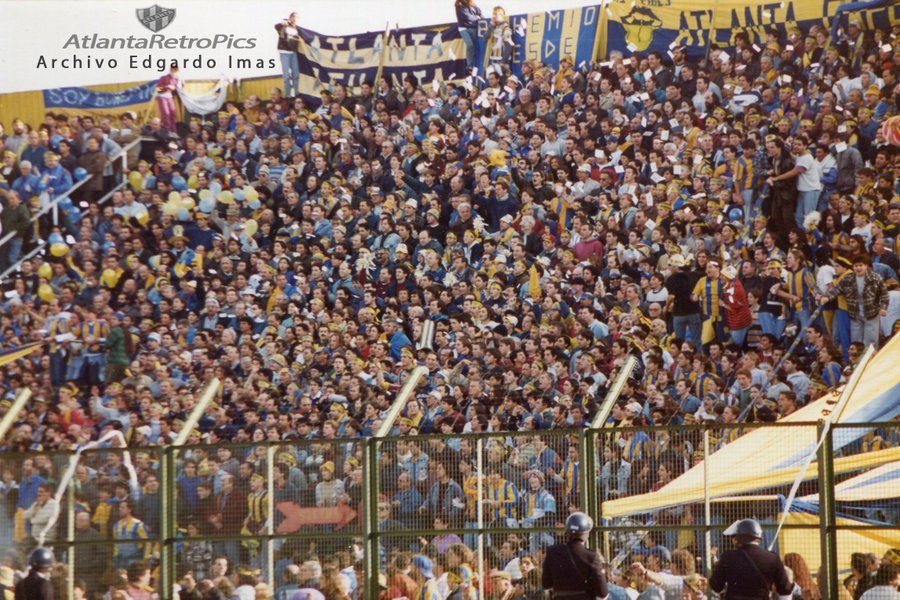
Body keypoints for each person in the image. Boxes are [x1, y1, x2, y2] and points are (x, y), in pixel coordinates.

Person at [709, 519, 792, 599]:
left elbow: (716, 586)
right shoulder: (773, 558)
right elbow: (785, 590)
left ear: (739, 537)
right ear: (758, 537)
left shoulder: (728, 557)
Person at [541, 512, 608, 599]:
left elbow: (546, 584)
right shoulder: (591, 556)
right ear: (586, 534)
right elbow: (603, 593)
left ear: (567, 531)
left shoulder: (552, 552)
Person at [275, 13, 301, 98]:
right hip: (284, 52)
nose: (295, 19)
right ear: (290, 17)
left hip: (293, 52)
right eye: (293, 17)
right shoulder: (285, 25)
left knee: (296, 74)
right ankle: (287, 95)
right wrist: (283, 23)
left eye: (296, 17)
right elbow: (276, 26)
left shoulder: (297, 28)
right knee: (286, 76)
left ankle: (296, 94)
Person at [455, 0, 483, 70]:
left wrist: (484, 20)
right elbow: (467, 17)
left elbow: (480, 14)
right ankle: (469, 64)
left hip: (473, 28)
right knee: (470, 45)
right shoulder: (459, 4)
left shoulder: (473, 4)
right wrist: (476, 17)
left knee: (475, 46)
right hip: (463, 28)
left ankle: (476, 63)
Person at [156, 66, 181, 133]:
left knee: (173, 113)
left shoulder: (177, 79)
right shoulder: (163, 78)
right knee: (166, 113)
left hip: (169, 96)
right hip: (162, 96)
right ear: (170, 70)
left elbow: (176, 89)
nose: (174, 72)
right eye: (173, 70)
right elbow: (158, 89)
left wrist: (176, 88)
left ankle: (173, 131)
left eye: (176, 71)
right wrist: (167, 87)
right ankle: (167, 130)